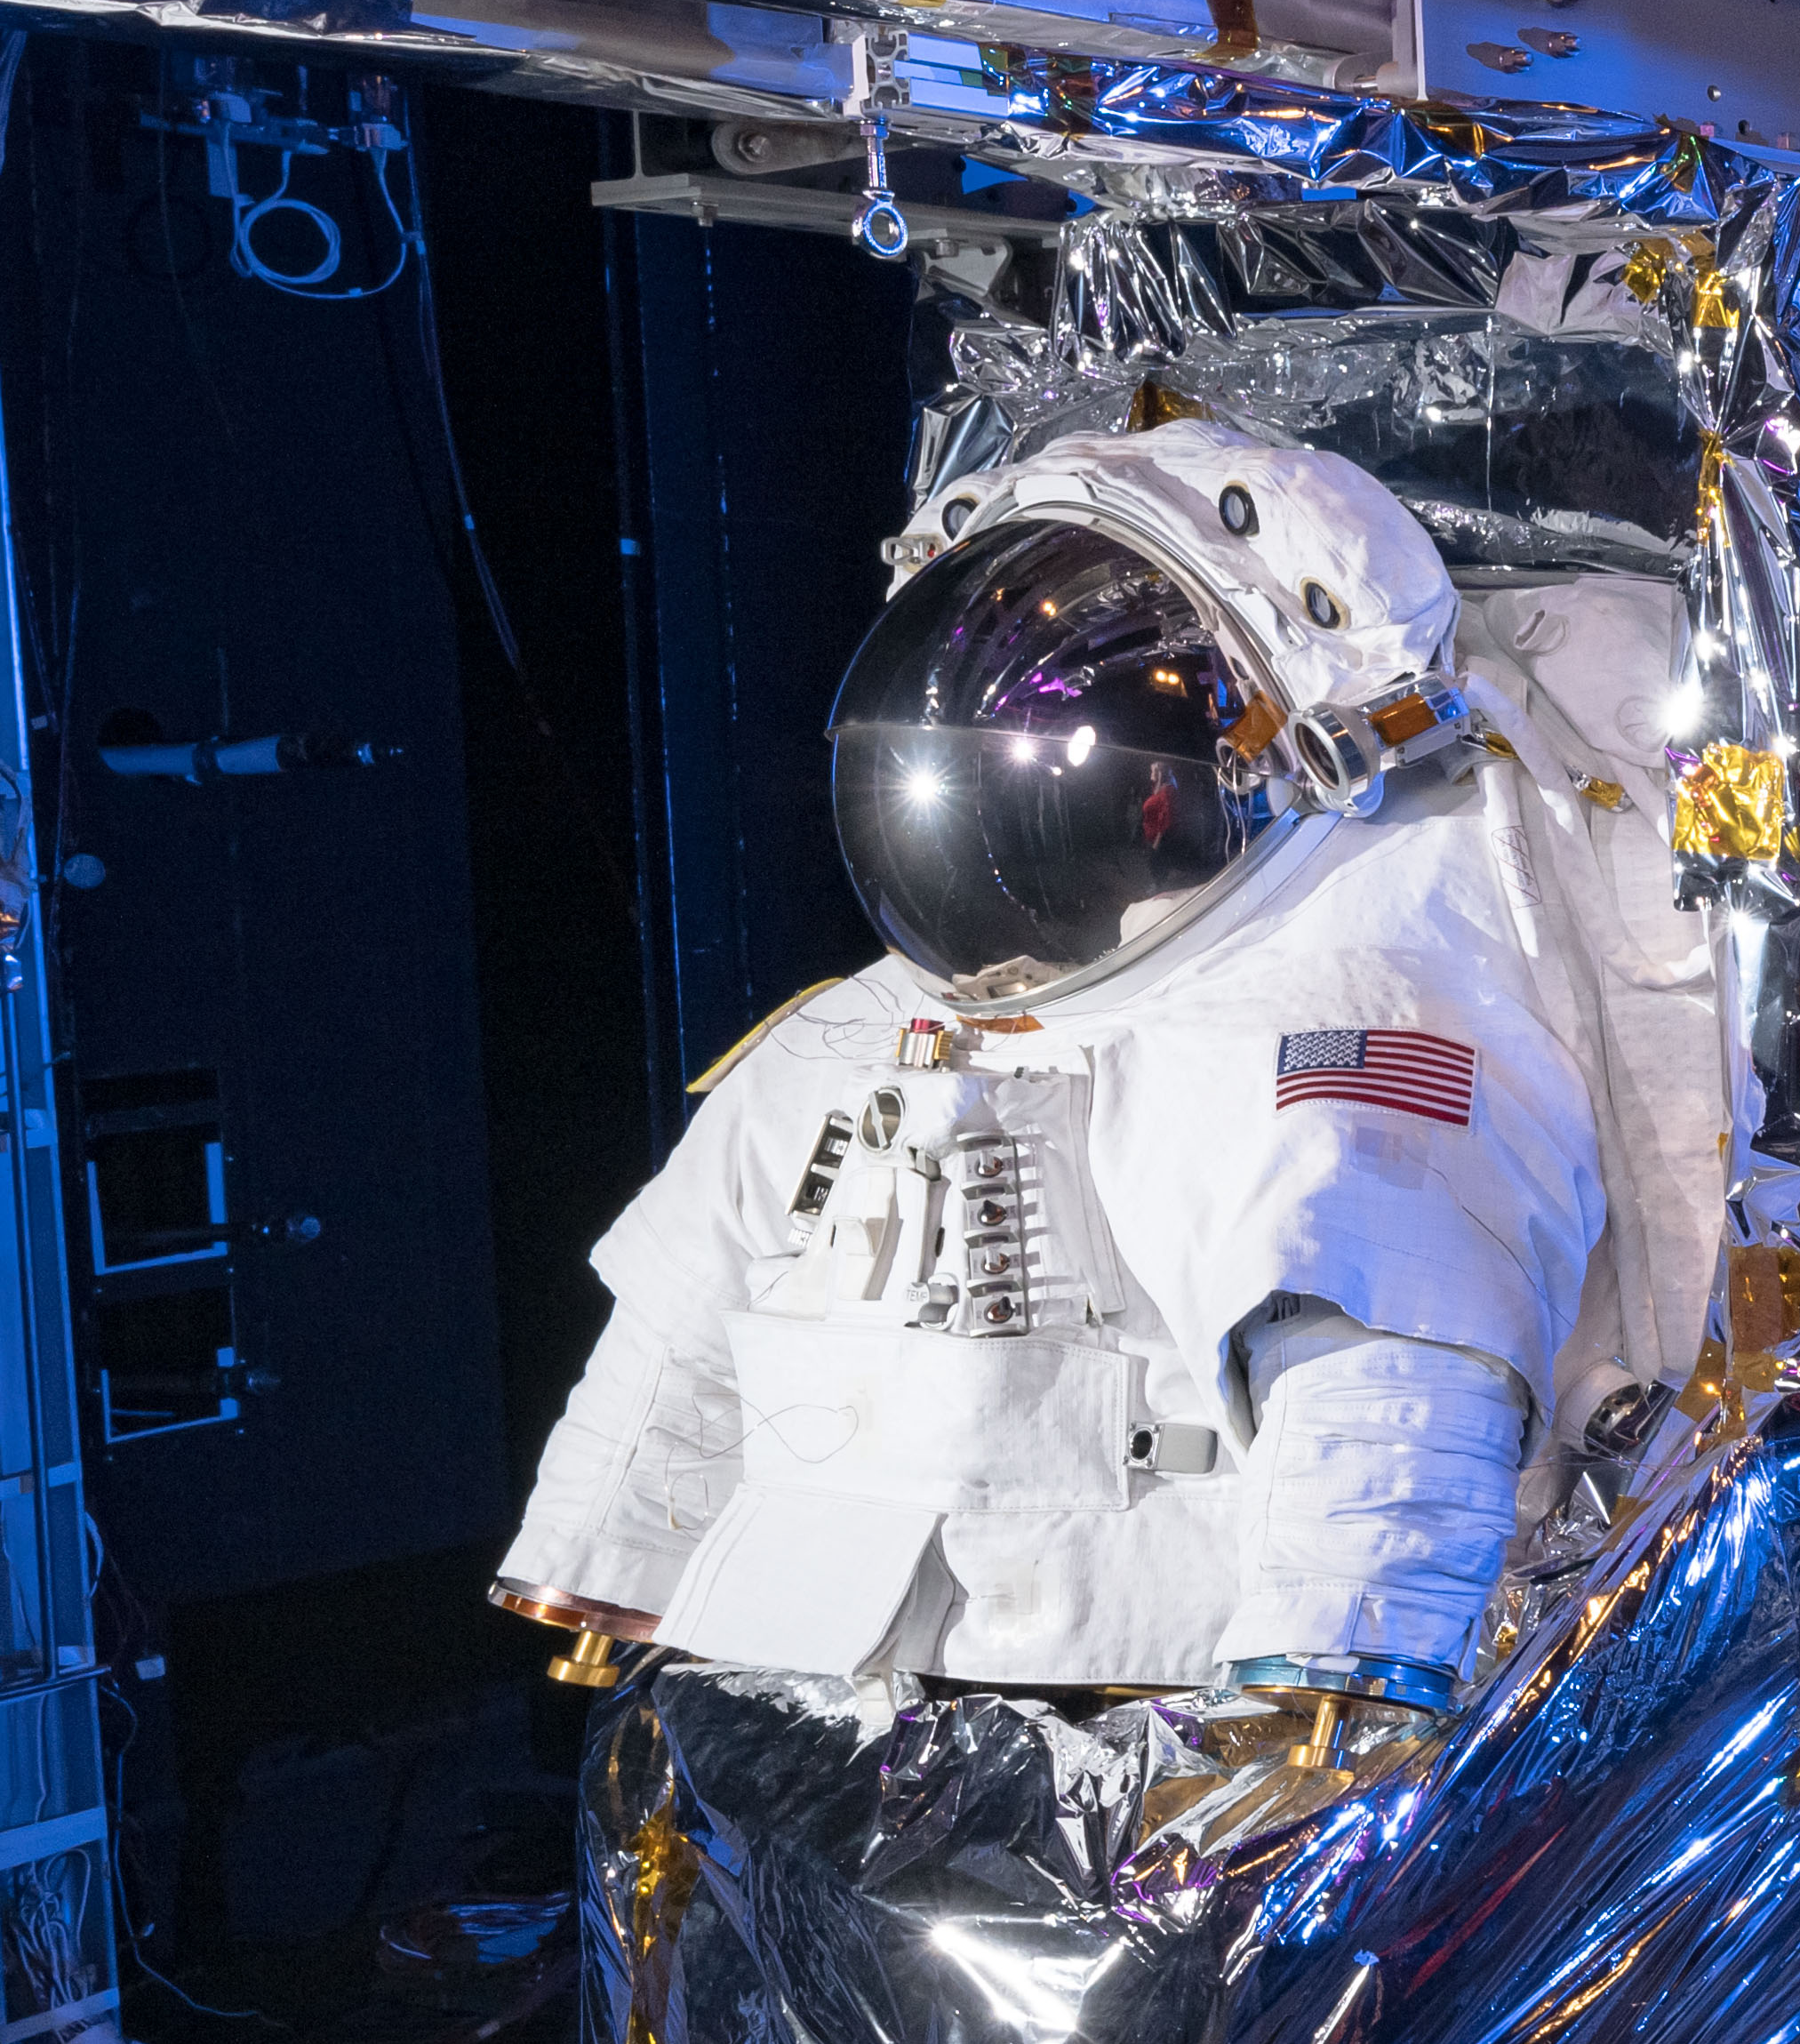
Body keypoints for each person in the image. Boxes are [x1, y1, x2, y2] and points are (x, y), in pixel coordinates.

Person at [489, 417, 1673, 1810]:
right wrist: (607, 1555)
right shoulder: (845, 1039)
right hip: (819, 1674)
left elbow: (1383, 1381)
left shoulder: (1335, 1029)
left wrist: (1330, 1671)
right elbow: (683, 1322)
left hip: (1146, 1708)